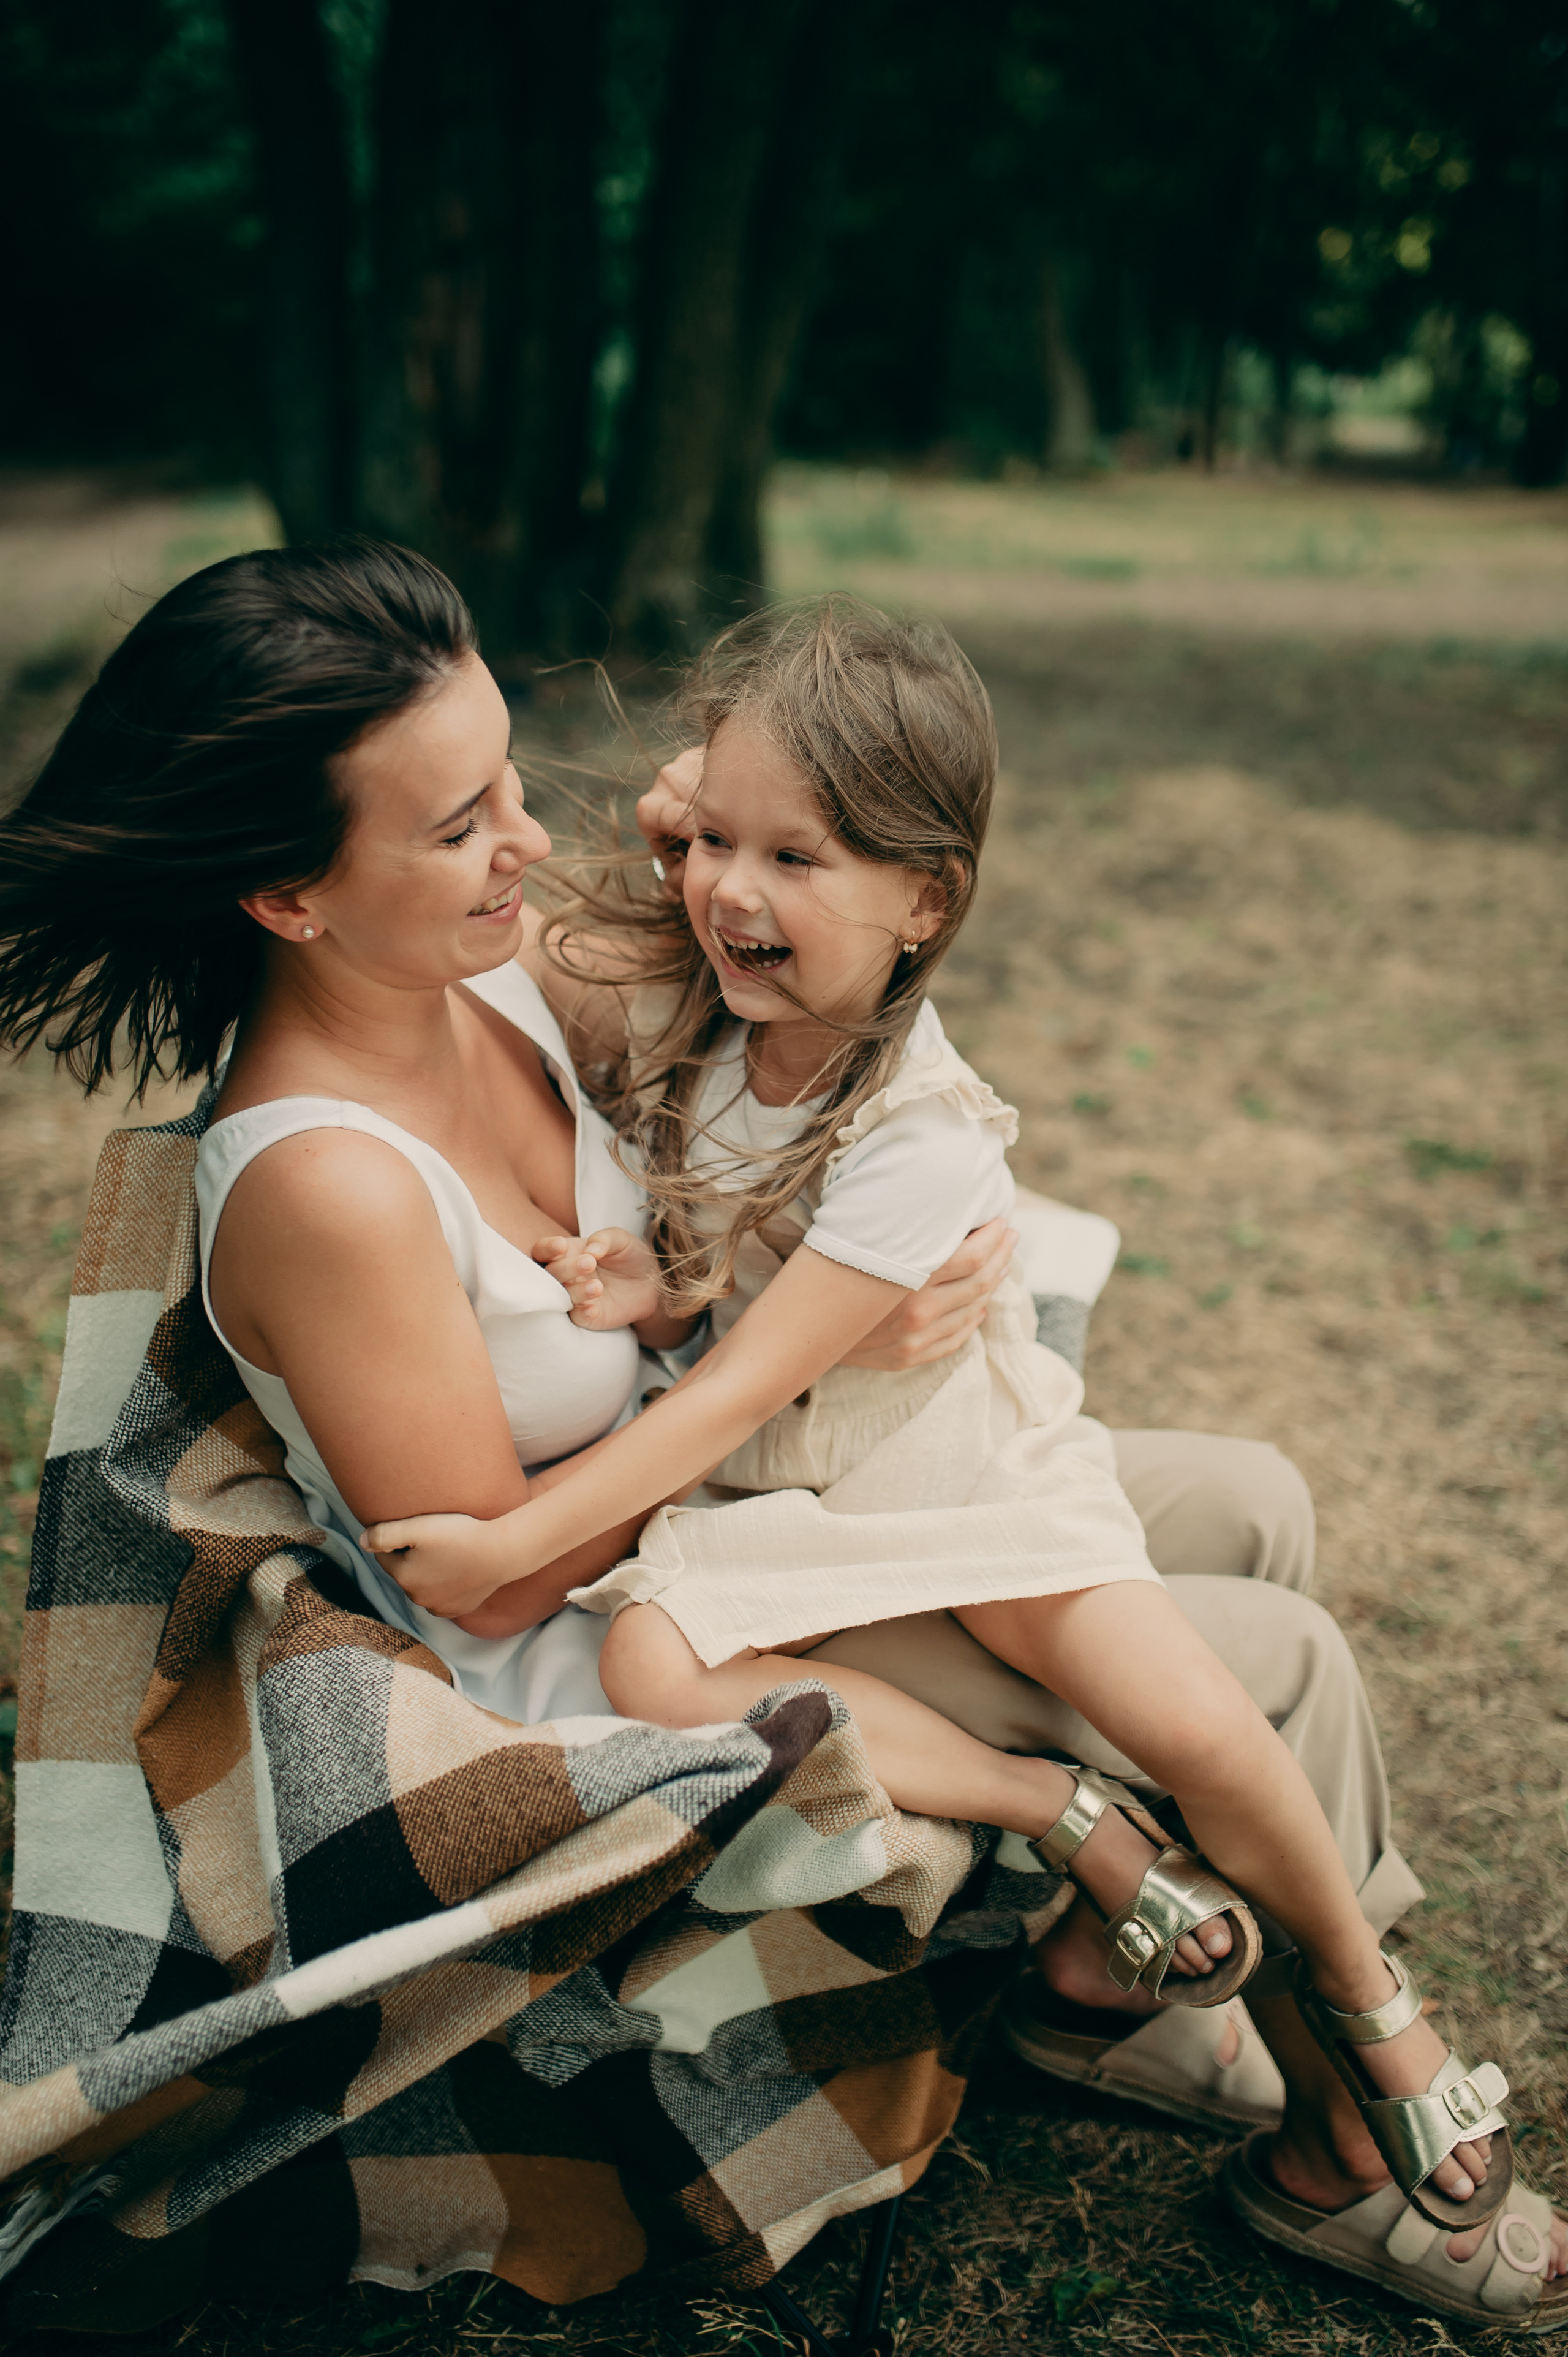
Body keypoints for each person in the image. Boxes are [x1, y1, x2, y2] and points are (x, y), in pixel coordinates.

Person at [0, 542, 1558, 2329]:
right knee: (1272, 1665)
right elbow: (499, 1592)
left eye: (511, 774)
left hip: (729, 1501)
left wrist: (797, 1305)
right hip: (607, 1635)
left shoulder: (482, 974)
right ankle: (1348, 2159)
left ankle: (1103, 2001)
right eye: (460, 822)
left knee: (1252, 1505)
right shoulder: (330, 1187)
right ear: (287, 892)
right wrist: (793, 1337)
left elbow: (732, 873)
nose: (529, 838)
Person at [355, 596, 1516, 2249]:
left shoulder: (920, 1131)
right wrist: (655, 1283)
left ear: (928, 902)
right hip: (814, 1495)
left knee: (1188, 1709)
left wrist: (514, 1542)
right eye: (719, 846)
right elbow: (721, 1285)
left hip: (951, 1484)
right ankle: (1084, 1838)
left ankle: (1364, 1992)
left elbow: (742, 1396)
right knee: (653, 1666)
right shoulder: (721, 1005)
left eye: (800, 861)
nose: (729, 891)